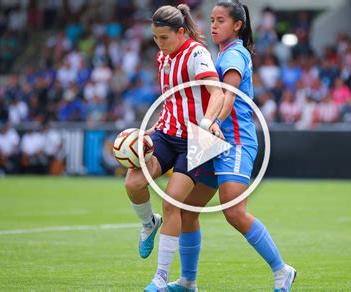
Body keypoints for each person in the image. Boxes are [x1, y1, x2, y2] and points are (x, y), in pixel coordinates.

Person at [168, 1, 296, 291]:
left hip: (234, 142)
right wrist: (186, 17)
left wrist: (211, 121)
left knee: (234, 211)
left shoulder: (236, 53)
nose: (213, 25)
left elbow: (227, 95)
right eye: (212, 19)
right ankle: (188, 281)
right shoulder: (223, 52)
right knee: (187, 210)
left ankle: (282, 271)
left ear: (237, 25)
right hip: (212, 140)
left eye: (221, 20)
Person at [121, 4, 225, 291]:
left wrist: (206, 122)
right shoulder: (162, 57)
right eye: (155, 38)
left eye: (164, 38)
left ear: (180, 32)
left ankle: (161, 278)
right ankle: (147, 224)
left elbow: (217, 93)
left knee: (172, 202)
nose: (159, 43)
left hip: (199, 139)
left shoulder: (197, 54)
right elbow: (172, 101)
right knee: (133, 181)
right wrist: (150, 131)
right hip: (167, 133)